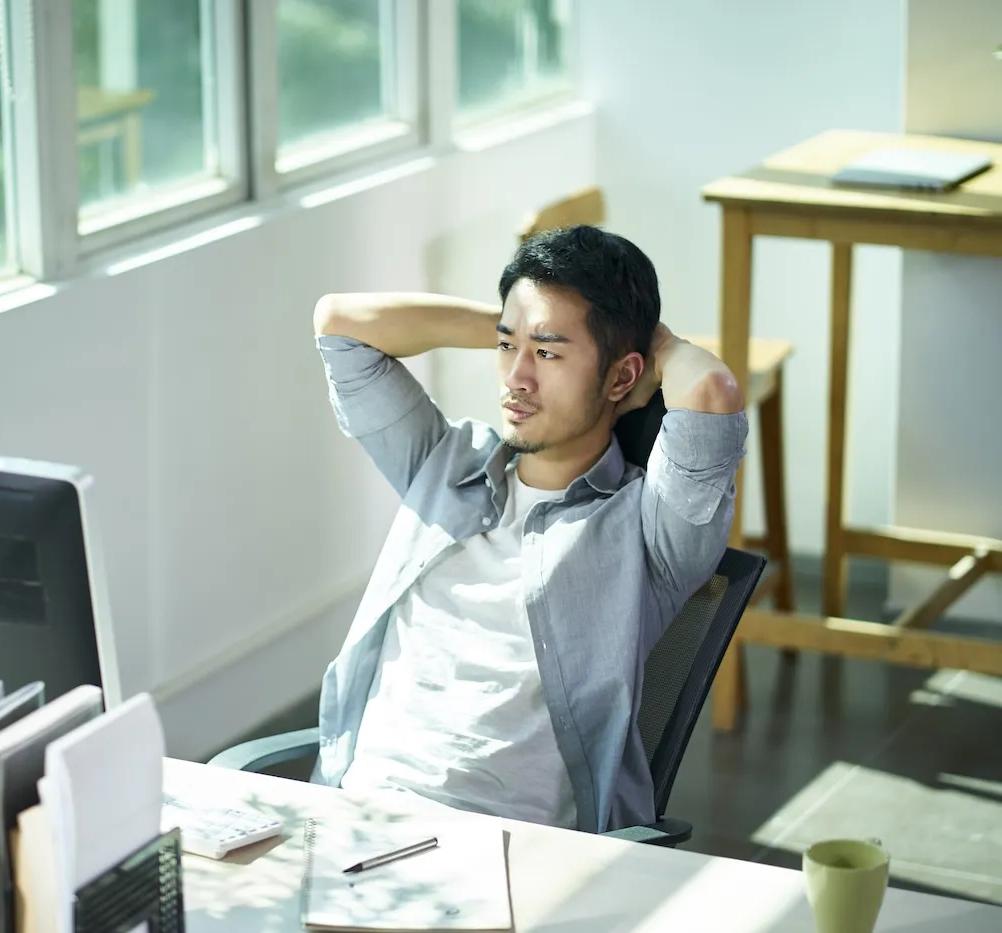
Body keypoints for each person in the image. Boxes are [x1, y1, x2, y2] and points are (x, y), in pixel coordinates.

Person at [310, 224, 747, 833]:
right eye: (505, 347)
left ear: (622, 378)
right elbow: (340, 323)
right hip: (355, 815)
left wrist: (654, 344)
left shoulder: (646, 533)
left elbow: (711, 390)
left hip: (507, 850)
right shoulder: (444, 464)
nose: (516, 378)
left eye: (547, 354)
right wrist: (523, 325)